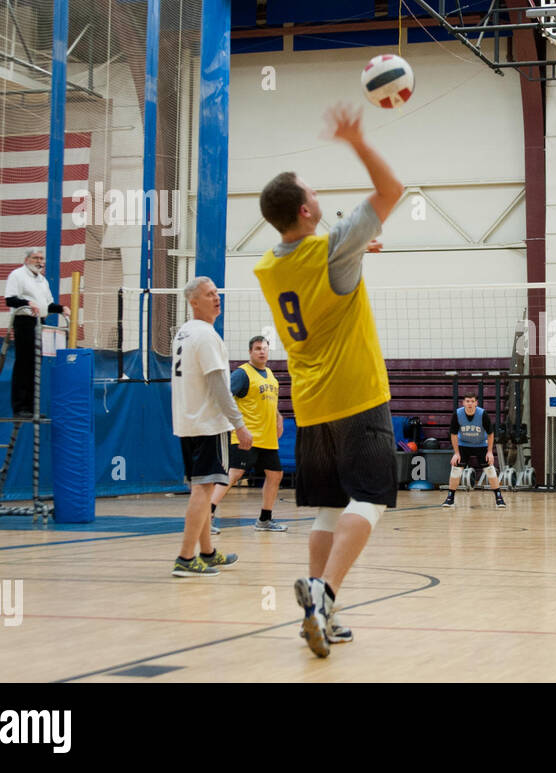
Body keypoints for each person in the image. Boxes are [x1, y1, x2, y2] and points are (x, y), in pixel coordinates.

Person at [254, 102, 404, 657]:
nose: (319, 196)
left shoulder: (272, 264)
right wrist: (358, 140)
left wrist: (357, 249)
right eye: (313, 192)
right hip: (357, 394)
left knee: (327, 506)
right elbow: (391, 190)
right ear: (306, 210)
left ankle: (318, 613)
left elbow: (323, 270)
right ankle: (325, 591)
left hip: (310, 403)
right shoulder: (333, 243)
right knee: (371, 498)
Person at [170, 277, 247, 577]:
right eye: (209, 294)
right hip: (208, 423)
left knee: (200, 488)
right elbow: (218, 386)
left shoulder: (184, 333)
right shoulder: (205, 336)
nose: (217, 298)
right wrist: (239, 425)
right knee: (203, 490)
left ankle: (207, 552)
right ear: (193, 302)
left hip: (188, 421)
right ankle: (185, 558)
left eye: (217, 293)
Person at [208, 335, 288, 533]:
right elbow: (225, 397)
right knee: (234, 474)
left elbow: (270, 403)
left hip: (267, 438)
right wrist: (236, 425)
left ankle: (264, 520)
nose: (262, 351)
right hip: (246, 435)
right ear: (250, 352)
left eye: (264, 348)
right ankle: (206, 516)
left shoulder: (270, 374)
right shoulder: (242, 374)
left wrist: (279, 417)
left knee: (275, 474)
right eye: (258, 348)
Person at [3, 249, 69, 418]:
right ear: (27, 259)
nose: (39, 261)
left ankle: (32, 408)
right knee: (24, 364)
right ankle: (20, 407)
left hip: (40, 323)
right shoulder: (17, 275)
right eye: (36, 258)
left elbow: (48, 304)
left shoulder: (43, 280)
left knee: (35, 366)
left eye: (41, 258)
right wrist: (27, 302)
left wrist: (62, 308)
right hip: (24, 322)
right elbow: (10, 299)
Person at [442, 393, 507, 509]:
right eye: (467, 401)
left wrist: (490, 452)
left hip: (481, 444)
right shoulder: (457, 414)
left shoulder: (482, 414)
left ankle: (499, 498)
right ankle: (450, 498)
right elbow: (453, 434)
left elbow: (491, 433)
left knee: (490, 470)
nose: (470, 404)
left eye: (472, 401)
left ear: (476, 403)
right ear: (463, 403)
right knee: (455, 469)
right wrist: (456, 453)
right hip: (463, 445)